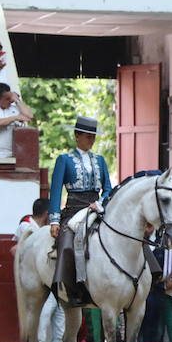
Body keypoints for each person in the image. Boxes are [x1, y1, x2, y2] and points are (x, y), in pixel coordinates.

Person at [49, 116, 113, 307]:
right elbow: (55, 190)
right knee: (68, 243)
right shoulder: (64, 160)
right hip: (74, 209)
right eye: (87, 137)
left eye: (93, 137)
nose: (91, 141)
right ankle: (69, 288)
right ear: (77, 136)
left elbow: (108, 188)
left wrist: (100, 202)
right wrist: (54, 219)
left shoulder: (100, 160)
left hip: (97, 208)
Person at [13, 199, 67, 342]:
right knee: (42, 329)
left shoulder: (47, 230)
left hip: (55, 280)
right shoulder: (26, 227)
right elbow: (16, 250)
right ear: (46, 214)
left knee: (58, 331)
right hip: (41, 282)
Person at [0, 83, 33, 158]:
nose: (10, 101)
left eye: (11, 98)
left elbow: (30, 116)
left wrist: (17, 100)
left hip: (12, 152)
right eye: (7, 99)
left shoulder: (14, 107)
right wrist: (14, 118)